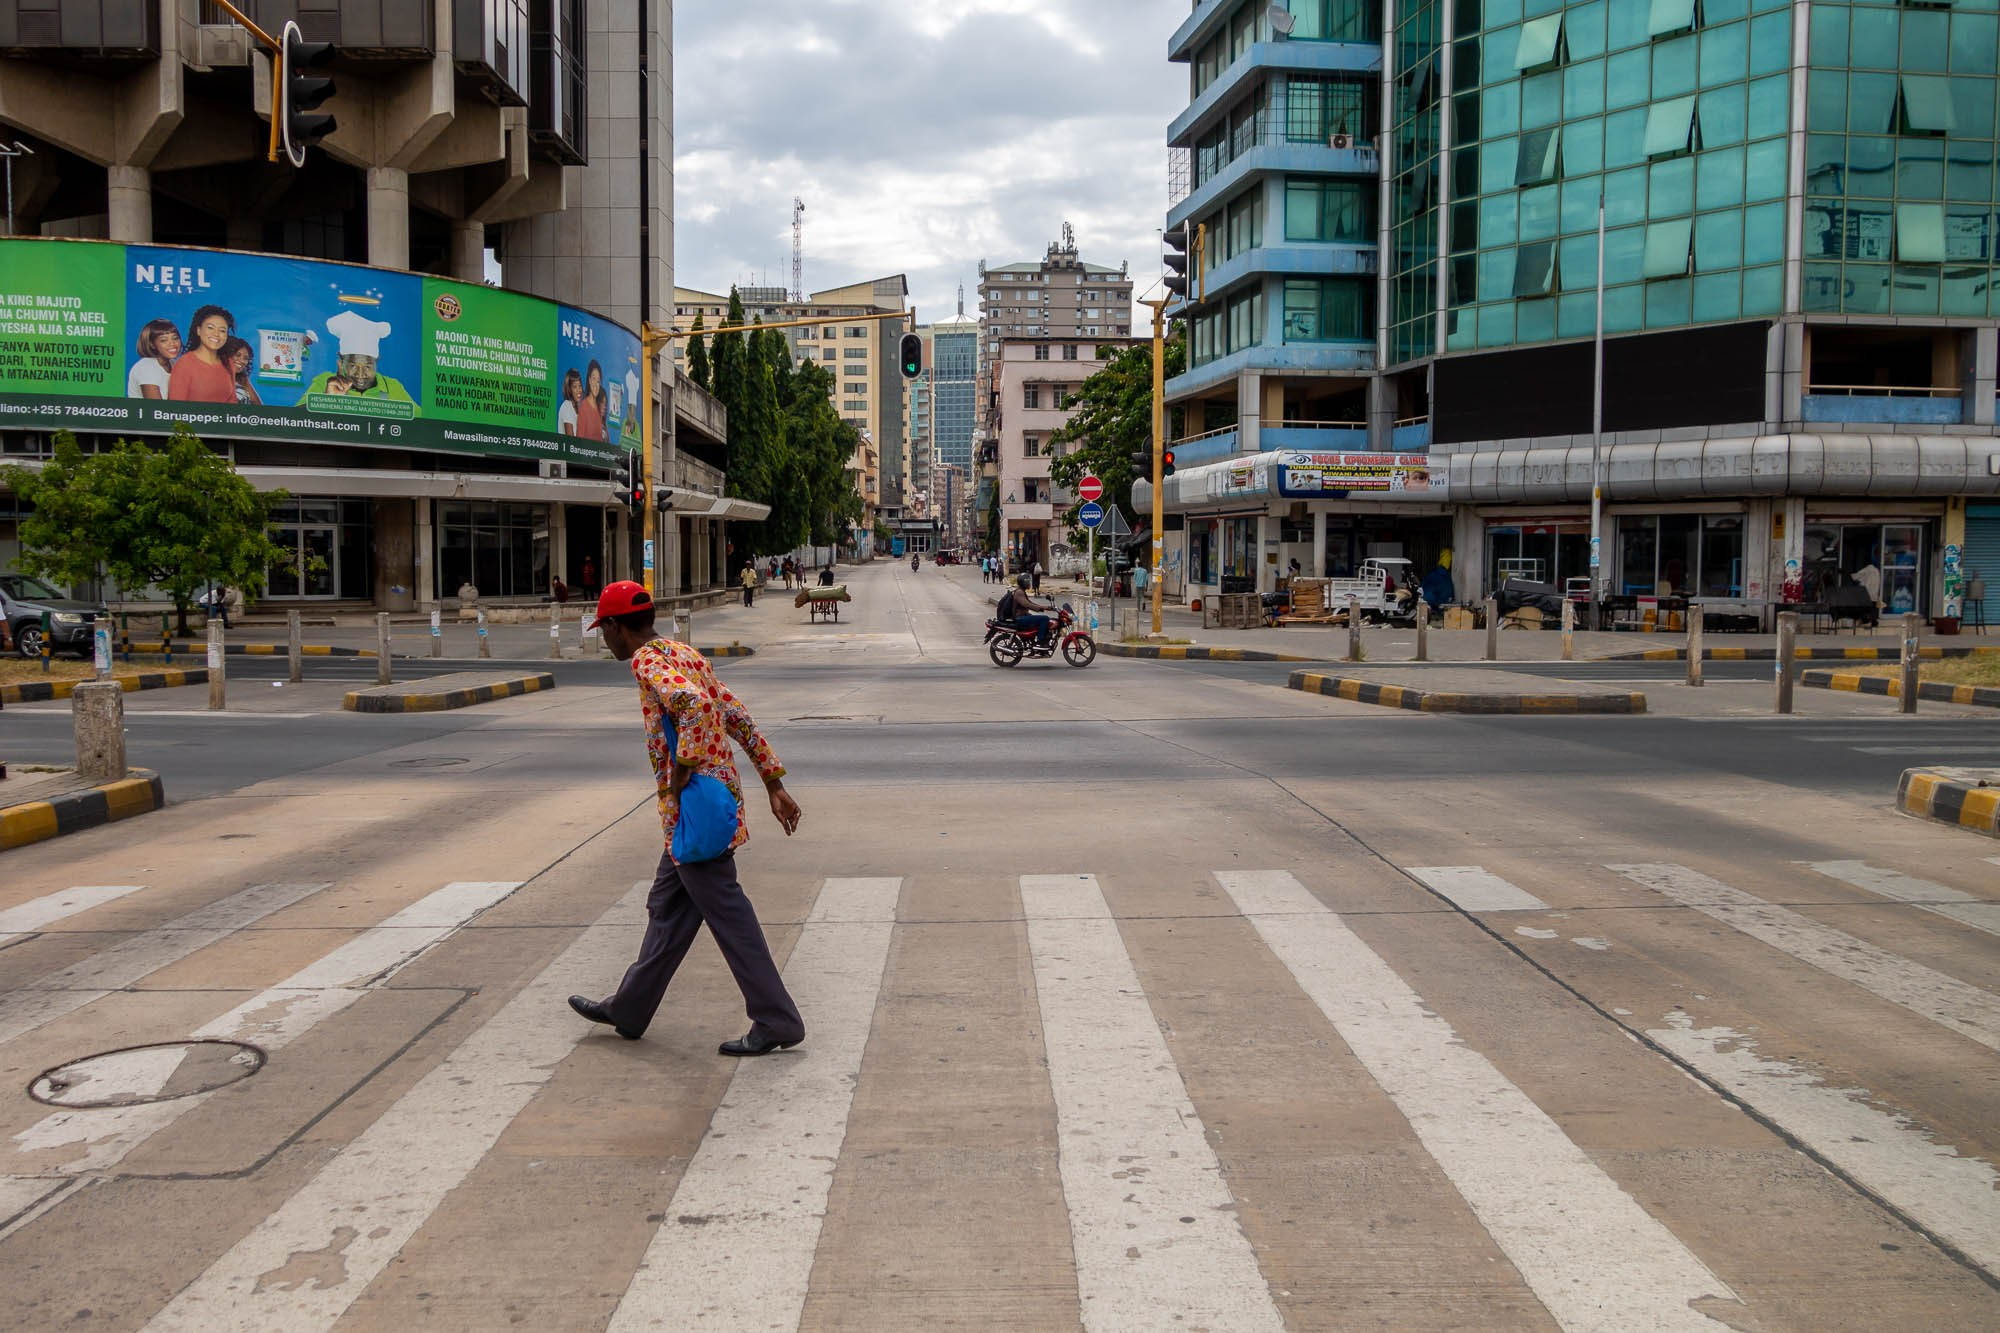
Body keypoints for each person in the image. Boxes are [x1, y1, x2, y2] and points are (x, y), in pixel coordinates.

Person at [567, 581, 805, 1055]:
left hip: (696, 809)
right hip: (712, 804)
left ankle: (777, 1019)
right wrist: (773, 782)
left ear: (616, 626)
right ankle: (630, 1008)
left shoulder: (646, 660)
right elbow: (735, 713)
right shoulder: (684, 653)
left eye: (604, 629)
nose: (605, 639)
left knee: (729, 916)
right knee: (668, 908)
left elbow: (694, 708)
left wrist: (679, 773)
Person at [297, 310, 415, 405]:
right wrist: (327, 399)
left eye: (368, 366)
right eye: (353, 366)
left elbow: (422, 424)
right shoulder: (324, 382)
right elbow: (295, 421)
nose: (360, 374)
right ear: (341, 361)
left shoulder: (392, 387)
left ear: (376, 361)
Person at [168, 305, 240, 403]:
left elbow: (232, 402)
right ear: (198, 330)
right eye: (210, 328)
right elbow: (175, 410)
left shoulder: (229, 363)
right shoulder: (184, 364)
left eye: (222, 330)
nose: (216, 334)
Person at [127, 318, 181, 400]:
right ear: (152, 344)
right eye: (164, 340)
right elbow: (155, 409)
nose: (172, 344)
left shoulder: (174, 364)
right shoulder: (146, 367)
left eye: (175, 338)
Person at [999, 574, 1054, 648]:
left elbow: (1031, 603)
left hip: (1023, 616)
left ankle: (1033, 640)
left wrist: (1045, 607)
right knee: (1045, 619)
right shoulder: (1019, 592)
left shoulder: (1021, 591)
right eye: (1027, 581)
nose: (1028, 583)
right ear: (1022, 582)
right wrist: (1041, 608)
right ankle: (1041, 641)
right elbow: (1027, 604)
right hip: (1020, 618)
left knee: (1040, 620)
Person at [222, 337, 262, 406]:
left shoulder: (242, 379)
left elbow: (258, 406)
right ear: (227, 354)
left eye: (246, 358)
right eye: (238, 355)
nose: (242, 361)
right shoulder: (216, 375)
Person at [577, 360, 608, 441]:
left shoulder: (599, 408)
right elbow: (579, 440)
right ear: (589, 380)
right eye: (594, 379)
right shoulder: (584, 407)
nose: (596, 384)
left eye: (598, 381)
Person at [556, 368, 584, 435]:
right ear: (569, 389)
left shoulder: (579, 409)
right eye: (574, 387)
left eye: (580, 386)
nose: (579, 390)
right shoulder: (566, 406)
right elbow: (570, 441)